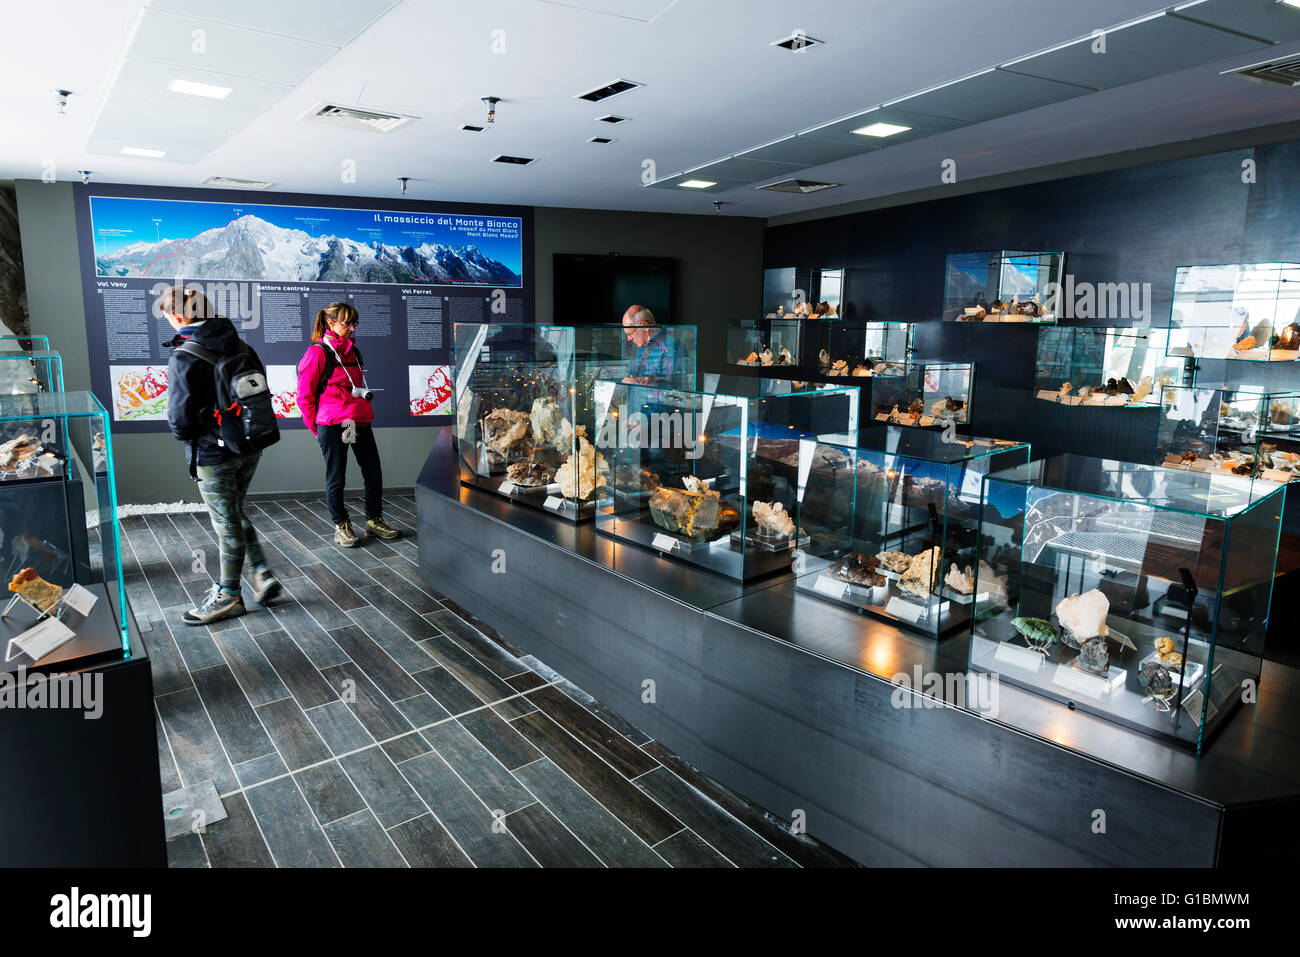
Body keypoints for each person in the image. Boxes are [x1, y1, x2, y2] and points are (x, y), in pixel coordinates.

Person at [160, 285, 281, 625]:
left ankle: (229, 597)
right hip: (249, 445)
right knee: (234, 511)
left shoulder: (185, 355)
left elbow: (180, 420)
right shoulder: (241, 345)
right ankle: (260, 570)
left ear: (179, 316)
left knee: (226, 524)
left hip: (213, 454)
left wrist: (194, 435)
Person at [296, 301, 400, 548]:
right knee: (337, 476)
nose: (353, 328)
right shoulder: (317, 353)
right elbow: (304, 396)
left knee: (373, 472)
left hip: (359, 421)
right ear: (331, 323)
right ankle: (341, 525)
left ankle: (374, 520)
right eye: (347, 323)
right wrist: (317, 429)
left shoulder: (354, 352)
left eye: (355, 323)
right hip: (333, 424)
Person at [621, 305, 683, 385]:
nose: (628, 338)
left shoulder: (671, 346)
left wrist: (641, 380)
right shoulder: (643, 345)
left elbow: (673, 384)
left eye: (630, 333)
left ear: (644, 326)